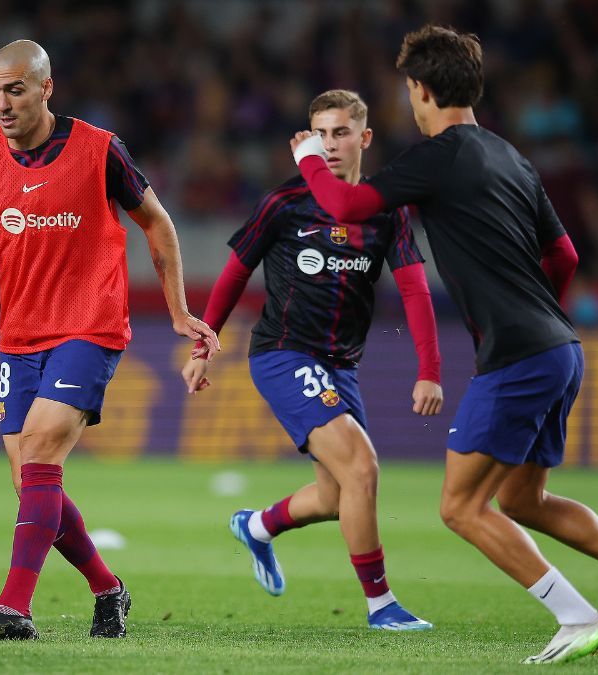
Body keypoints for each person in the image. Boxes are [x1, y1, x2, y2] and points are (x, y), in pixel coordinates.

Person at [289, 25, 598, 664]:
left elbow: (344, 204)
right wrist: (530, 314)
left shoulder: (438, 155)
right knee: (522, 499)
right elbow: (564, 254)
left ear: (421, 91)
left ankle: (578, 616)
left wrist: (309, 154)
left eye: (409, 92)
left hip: (521, 356)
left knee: (459, 506)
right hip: (560, 346)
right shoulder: (512, 157)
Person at [0, 40, 220, 641]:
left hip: (90, 326)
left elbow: (156, 222)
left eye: (15, 90)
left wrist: (179, 310)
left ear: (46, 88)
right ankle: (109, 589)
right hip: (20, 337)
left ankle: (14, 610)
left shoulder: (100, 150)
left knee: (37, 454)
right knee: (31, 479)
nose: (2, 104)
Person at [182, 89, 441, 631]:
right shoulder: (285, 203)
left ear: (364, 138)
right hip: (283, 353)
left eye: (341, 133)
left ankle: (257, 527)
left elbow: (415, 291)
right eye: (320, 133)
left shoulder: (385, 211)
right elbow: (234, 273)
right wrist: (204, 345)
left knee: (335, 493)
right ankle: (381, 606)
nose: (330, 145)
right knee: (363, 466)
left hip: (340, 365)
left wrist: (430, 369)